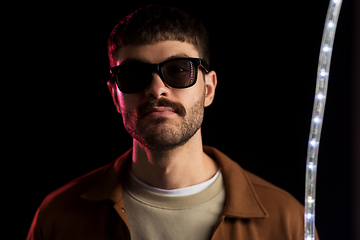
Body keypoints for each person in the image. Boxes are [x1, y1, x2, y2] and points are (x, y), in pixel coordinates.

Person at [27, 5, 318, 240]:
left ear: (208, 89)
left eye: (178, 70)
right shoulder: (59, 218)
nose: (156, 89)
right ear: (115, 97)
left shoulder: (288, 222)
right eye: (132, 75)